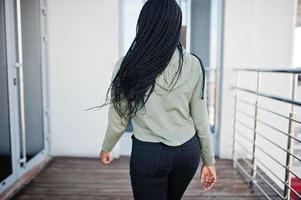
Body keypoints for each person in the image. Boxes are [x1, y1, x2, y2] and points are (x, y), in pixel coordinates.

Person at [96, 0, 216, 199]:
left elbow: (119, 119)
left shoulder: (126, 64)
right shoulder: (194, 64)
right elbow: (200, 119)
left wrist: (107, 147)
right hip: (187, 153)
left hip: (148, 154)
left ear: (144, 23)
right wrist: (209, 161)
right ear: (175, 27)